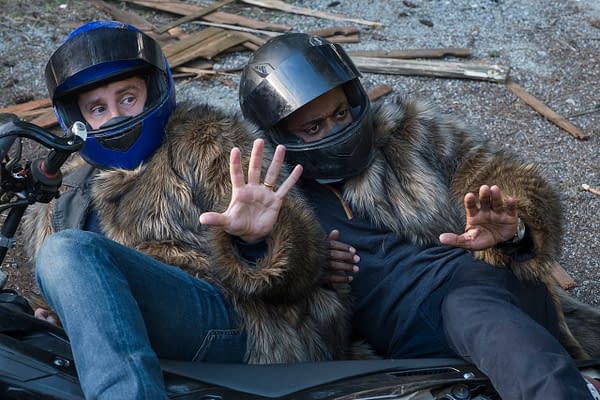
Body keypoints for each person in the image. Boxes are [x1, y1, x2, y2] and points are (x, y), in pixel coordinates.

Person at [238, 33, 600, 399]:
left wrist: (517, 228)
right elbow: (252, 294)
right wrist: (300, 264)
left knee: (472, 312)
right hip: (409, 355)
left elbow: (503, 178)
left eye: (341, 113)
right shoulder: (273, 199)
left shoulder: (407, 135)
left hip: (475, 285)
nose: (338, 131)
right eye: (313, 127)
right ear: (277, 135)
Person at [23, 21, 355, 399]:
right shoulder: (62, 197)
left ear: (155, 90)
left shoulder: (209, 143)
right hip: (139, 339)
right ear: (78, 121)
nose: (116, 116)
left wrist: (256, 240)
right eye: (98, 108)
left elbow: (305, 272)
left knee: (67, 251)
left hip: (240, 327)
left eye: (127, 98)